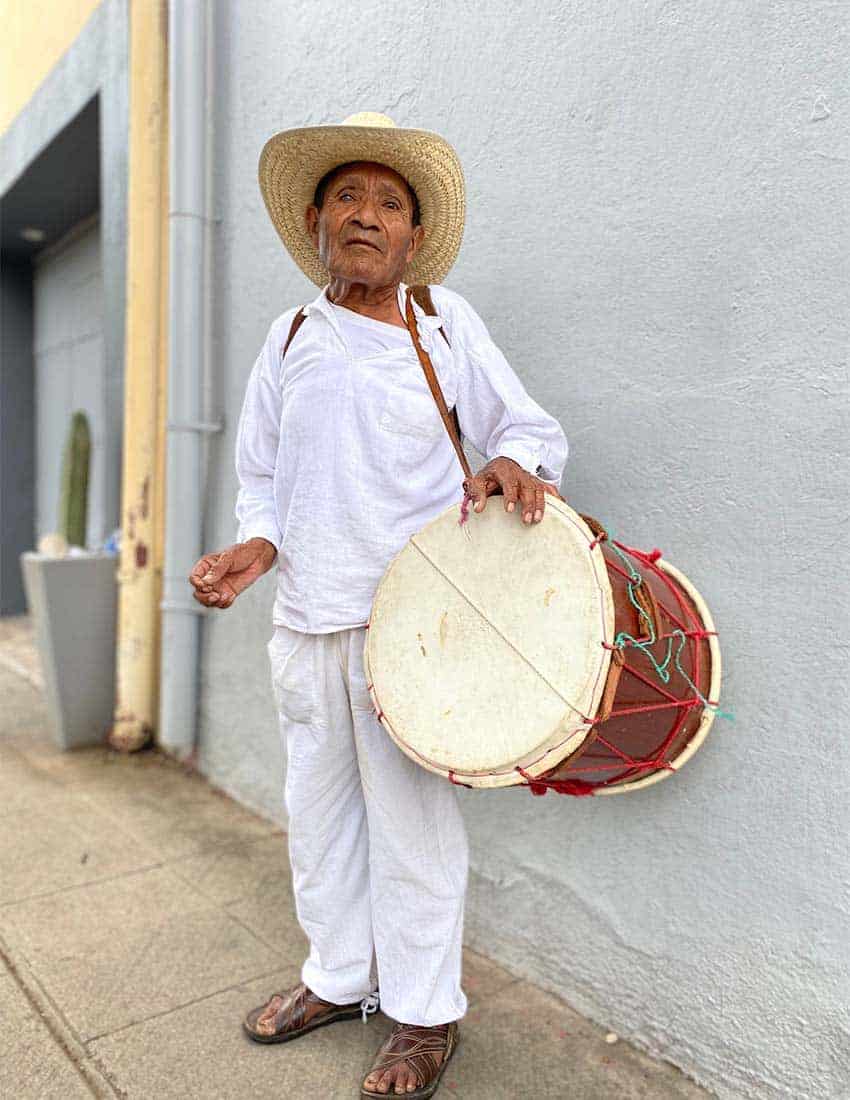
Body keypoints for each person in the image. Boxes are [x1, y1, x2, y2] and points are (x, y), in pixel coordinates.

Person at [189, 112, 568, 1099]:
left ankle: (424, 1015)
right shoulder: (288, 336)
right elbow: (262, 473)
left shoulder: (444, 320)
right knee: (316, 817)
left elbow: (525, 424)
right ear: (316, 222)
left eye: (388, 204)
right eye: (347, 198)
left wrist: (509, 462)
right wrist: (254, 545)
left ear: (410, 237)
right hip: (304, 620)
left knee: (411, 827)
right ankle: (338, 975)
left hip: (412, 624)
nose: (366, 216)